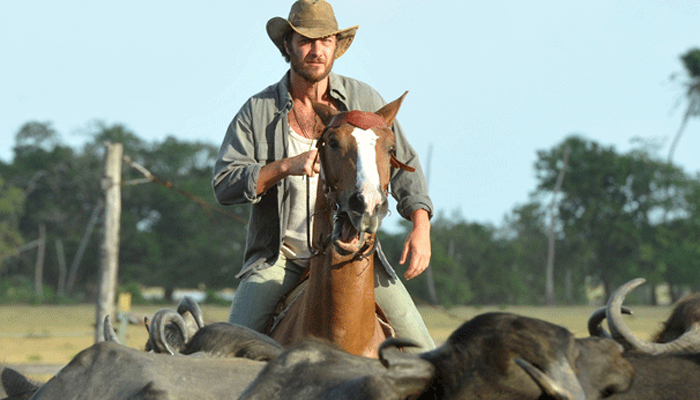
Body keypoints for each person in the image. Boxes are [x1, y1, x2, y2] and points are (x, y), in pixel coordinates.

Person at [212, 0, 435, 352]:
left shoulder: (363, 99)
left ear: (336, 47)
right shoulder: (258, 111)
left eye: (325, 41)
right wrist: (284, 166)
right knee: (223, 356)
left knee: (427, 357)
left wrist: (421, 226)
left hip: (356, 252)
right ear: (288, 46)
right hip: (281, 259)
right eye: (305, 41)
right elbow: (225, 183)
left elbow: (402, 161)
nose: (316, 51)